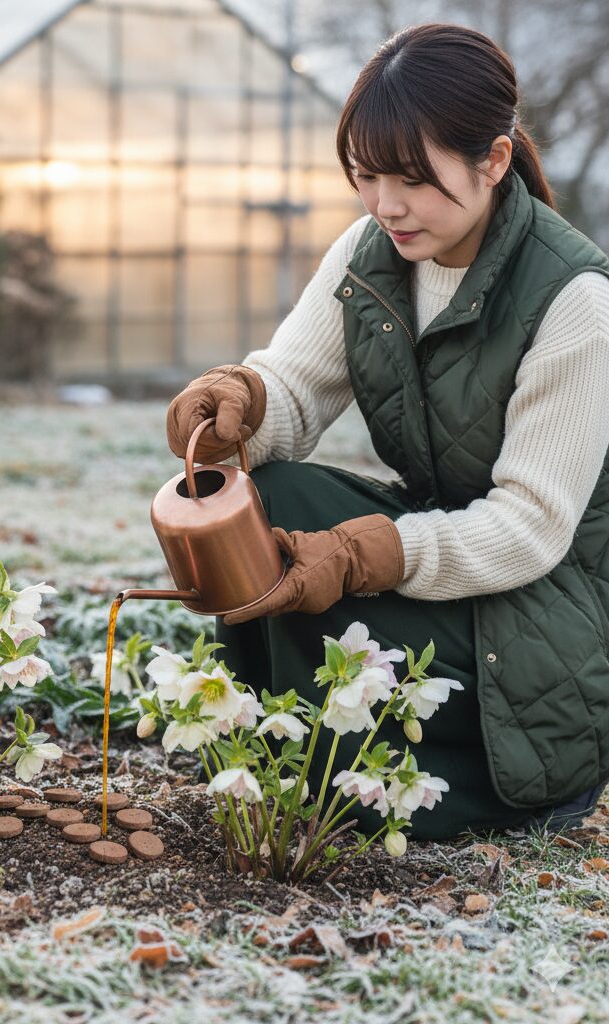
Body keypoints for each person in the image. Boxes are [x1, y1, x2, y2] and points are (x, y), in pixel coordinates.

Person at [166, 23, 609, 841]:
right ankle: (274, 752)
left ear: (495, 161)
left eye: (411, 179)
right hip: (448, 573)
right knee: (271, 501)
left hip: (546, 620)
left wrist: (370, 555)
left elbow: (530, 530)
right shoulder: (374, 253)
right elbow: (297, 385)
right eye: (366, 176)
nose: (385, 205)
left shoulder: (574, 301)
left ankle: (438, 781)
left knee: (317, 565)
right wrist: (242, 400)